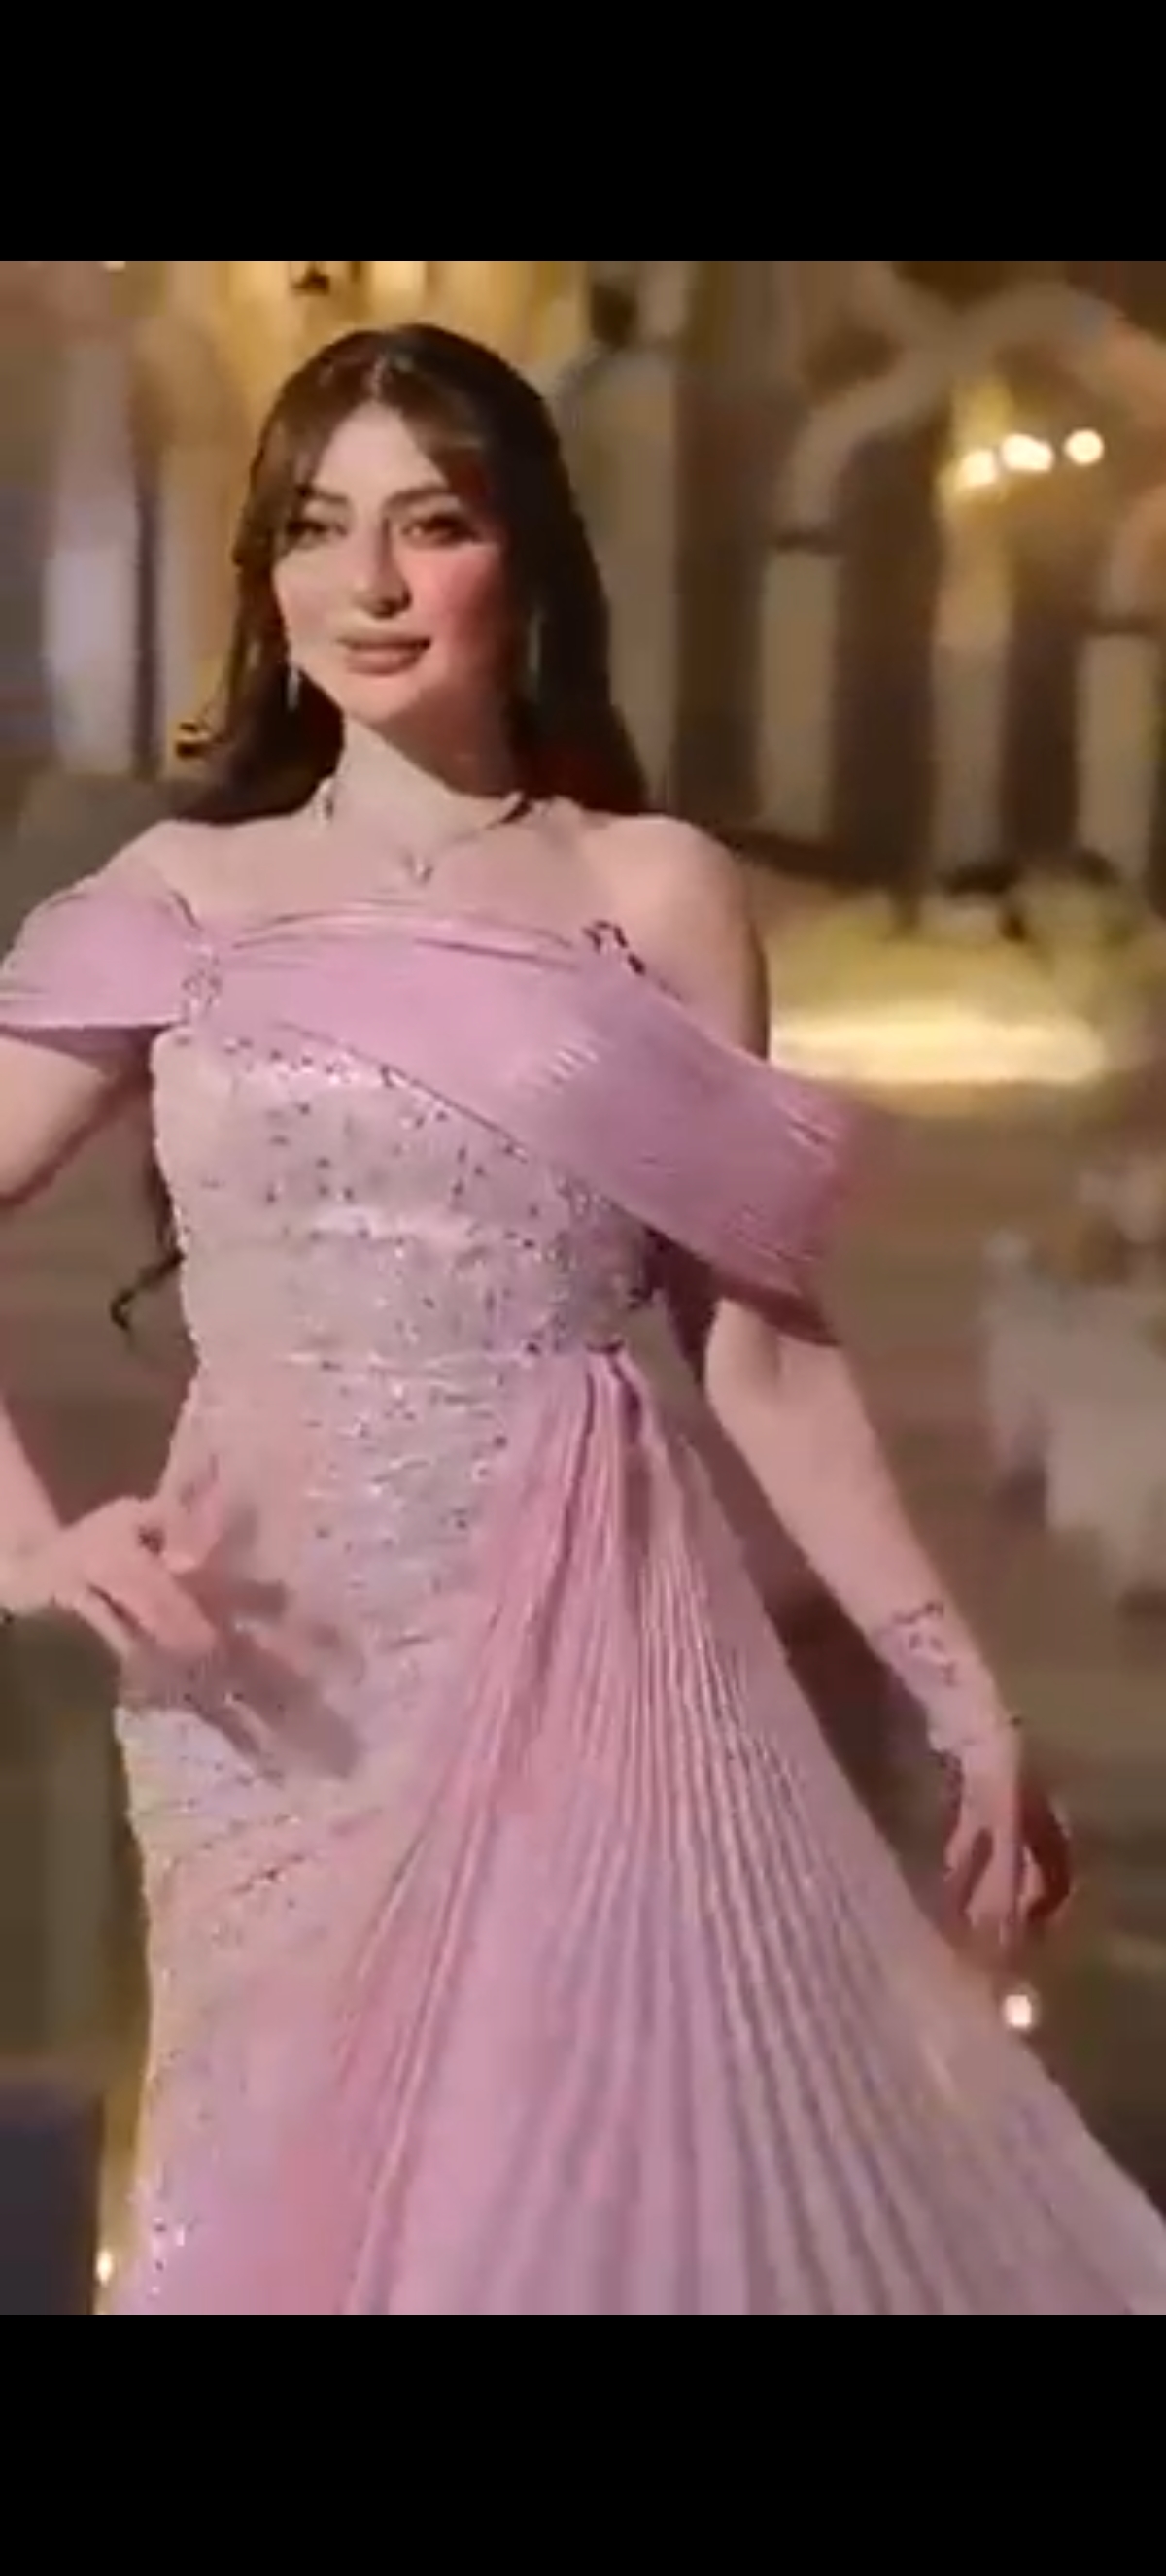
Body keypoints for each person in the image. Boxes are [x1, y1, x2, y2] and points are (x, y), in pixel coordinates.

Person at [0, 322, 1160, 2316]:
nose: (370, 585)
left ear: (524, 556)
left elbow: (762, 1344)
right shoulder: (179, 893)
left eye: (431, 526)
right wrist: (26, 1543)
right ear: (265, 576)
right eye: (317, 528)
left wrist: (960, 1689)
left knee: (548, 2212)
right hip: (264, 1667)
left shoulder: (655, 889)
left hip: (590, 1627)